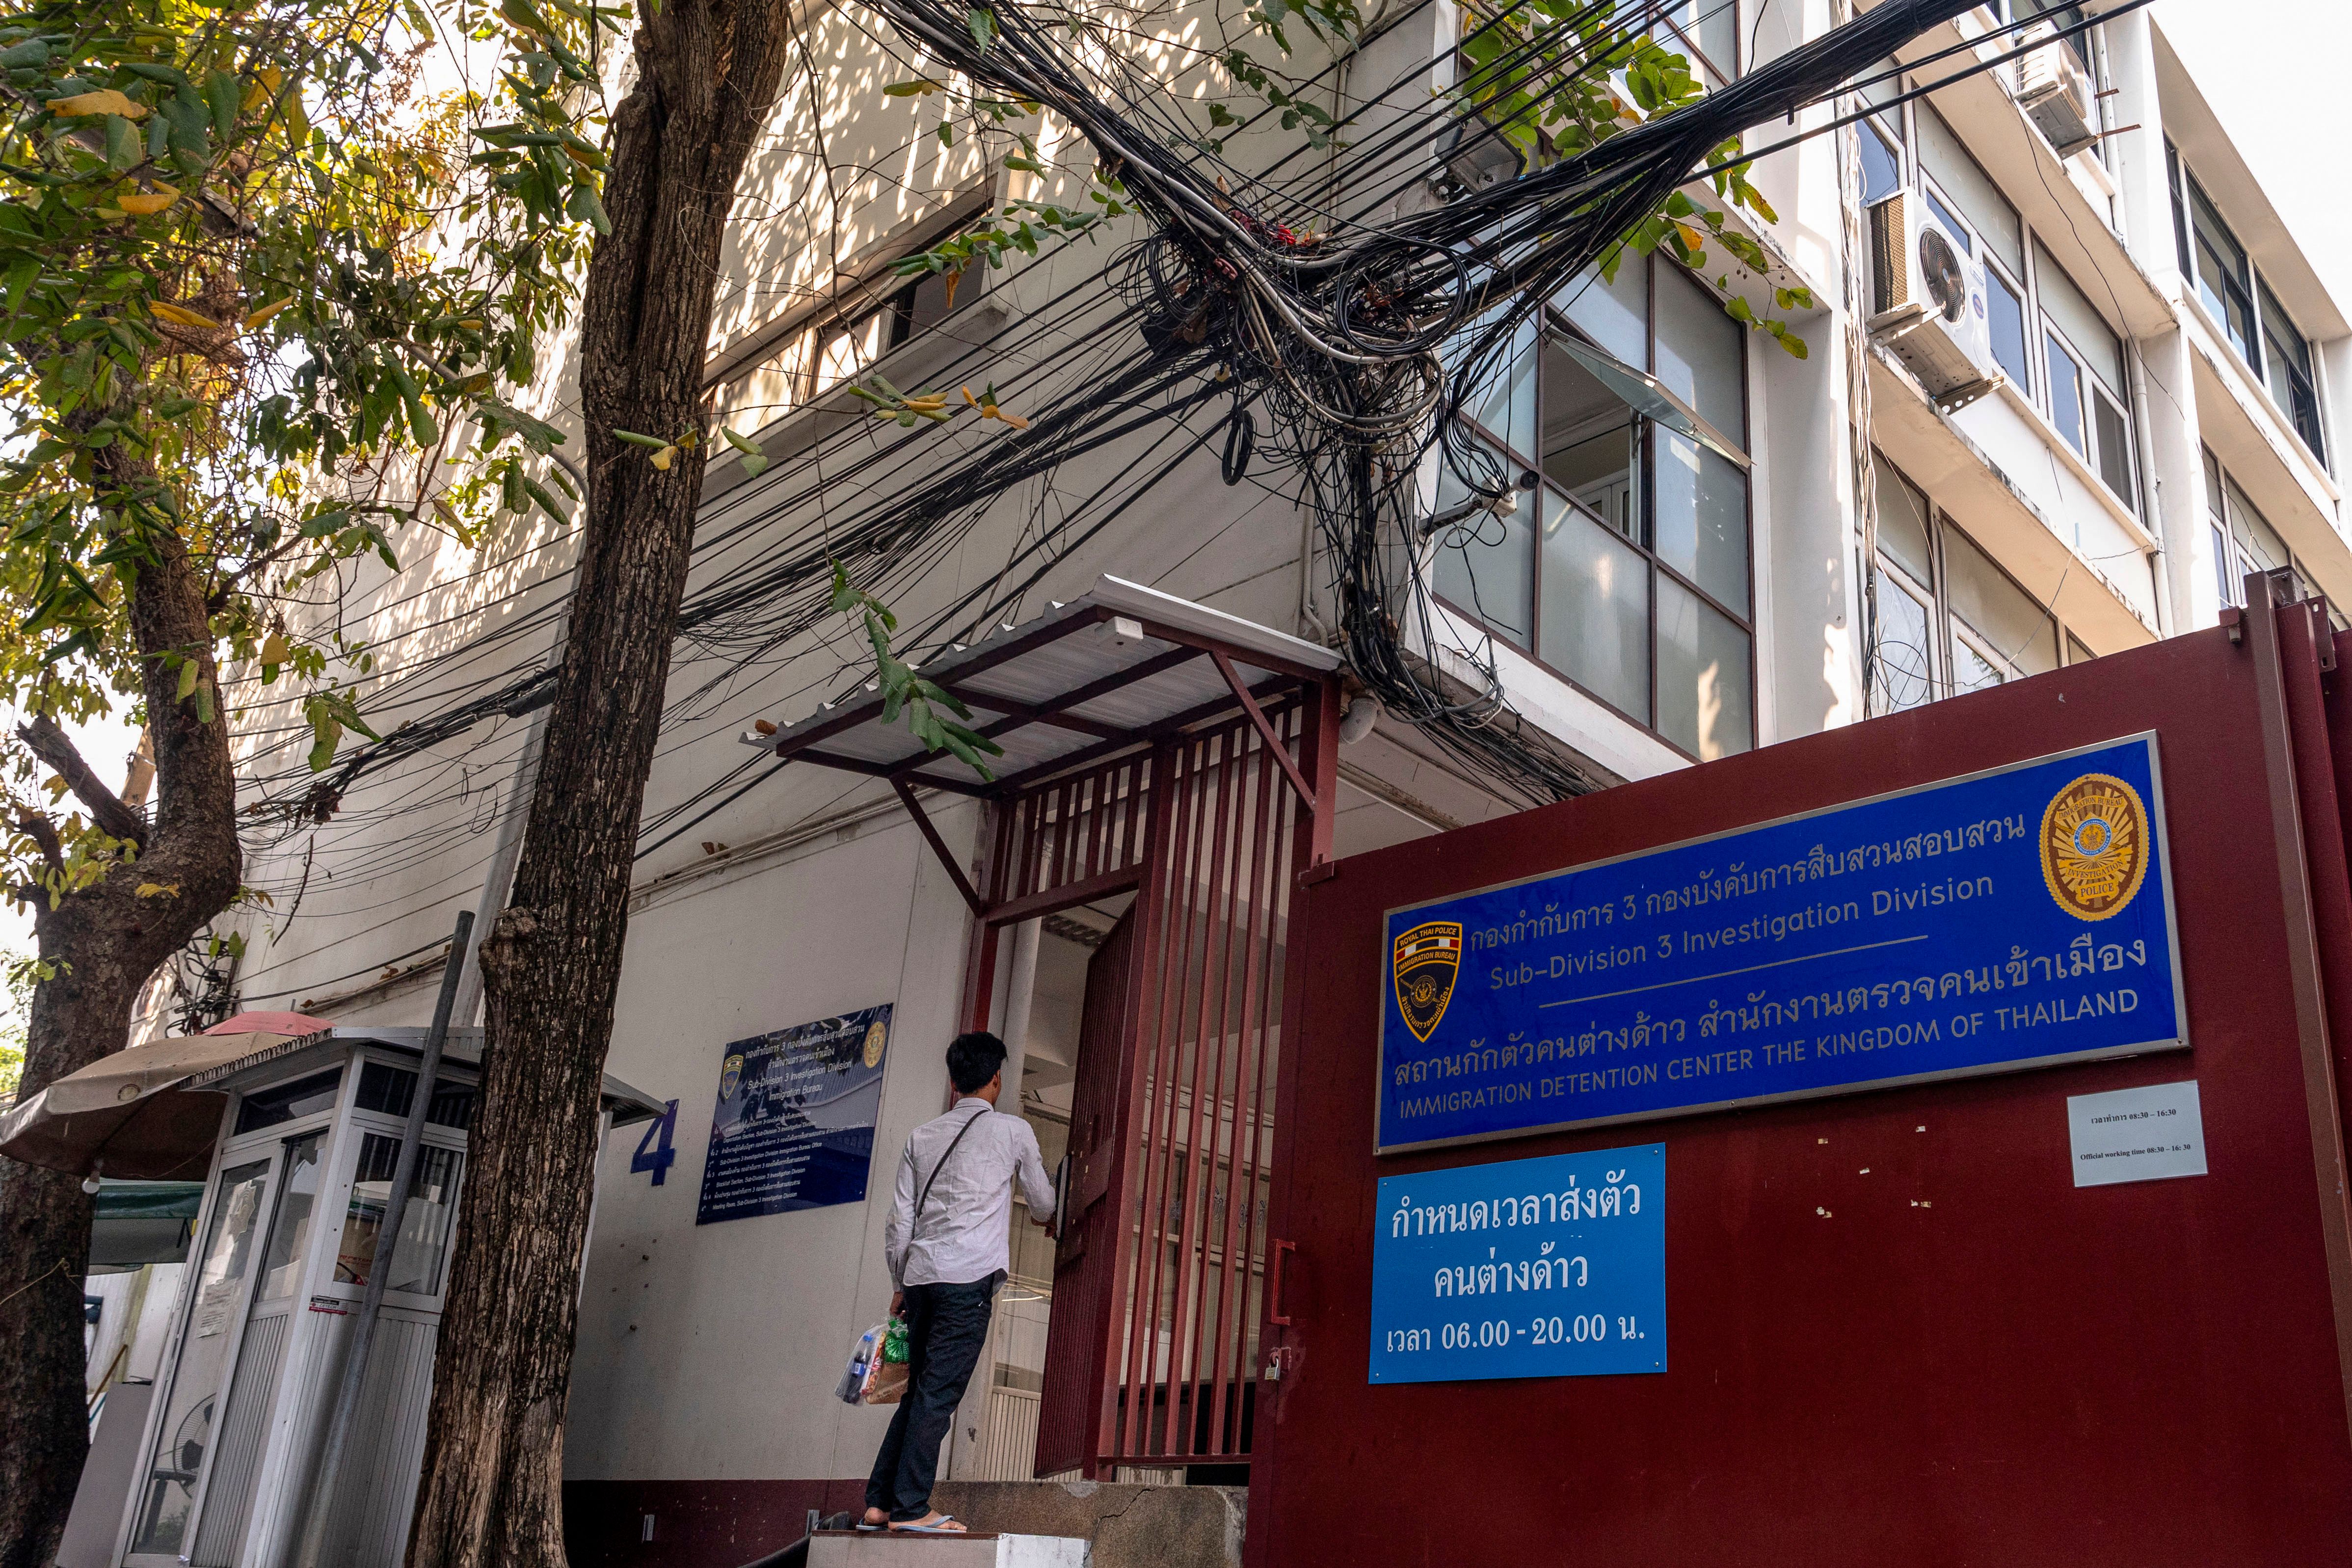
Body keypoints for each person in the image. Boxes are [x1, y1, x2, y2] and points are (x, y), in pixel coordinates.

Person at [861, 1030, 1055, 1534]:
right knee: (937, 1396)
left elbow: (897, 1223)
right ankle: (910, 1510)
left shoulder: (920, 1138)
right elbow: (1043, 1206)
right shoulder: (1013, 1133)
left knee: (916, 1394)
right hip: (967, 1284)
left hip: (921, 1280)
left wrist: (901, 1283)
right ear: (996, 1080)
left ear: (953, 1082)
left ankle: (879, 1505)